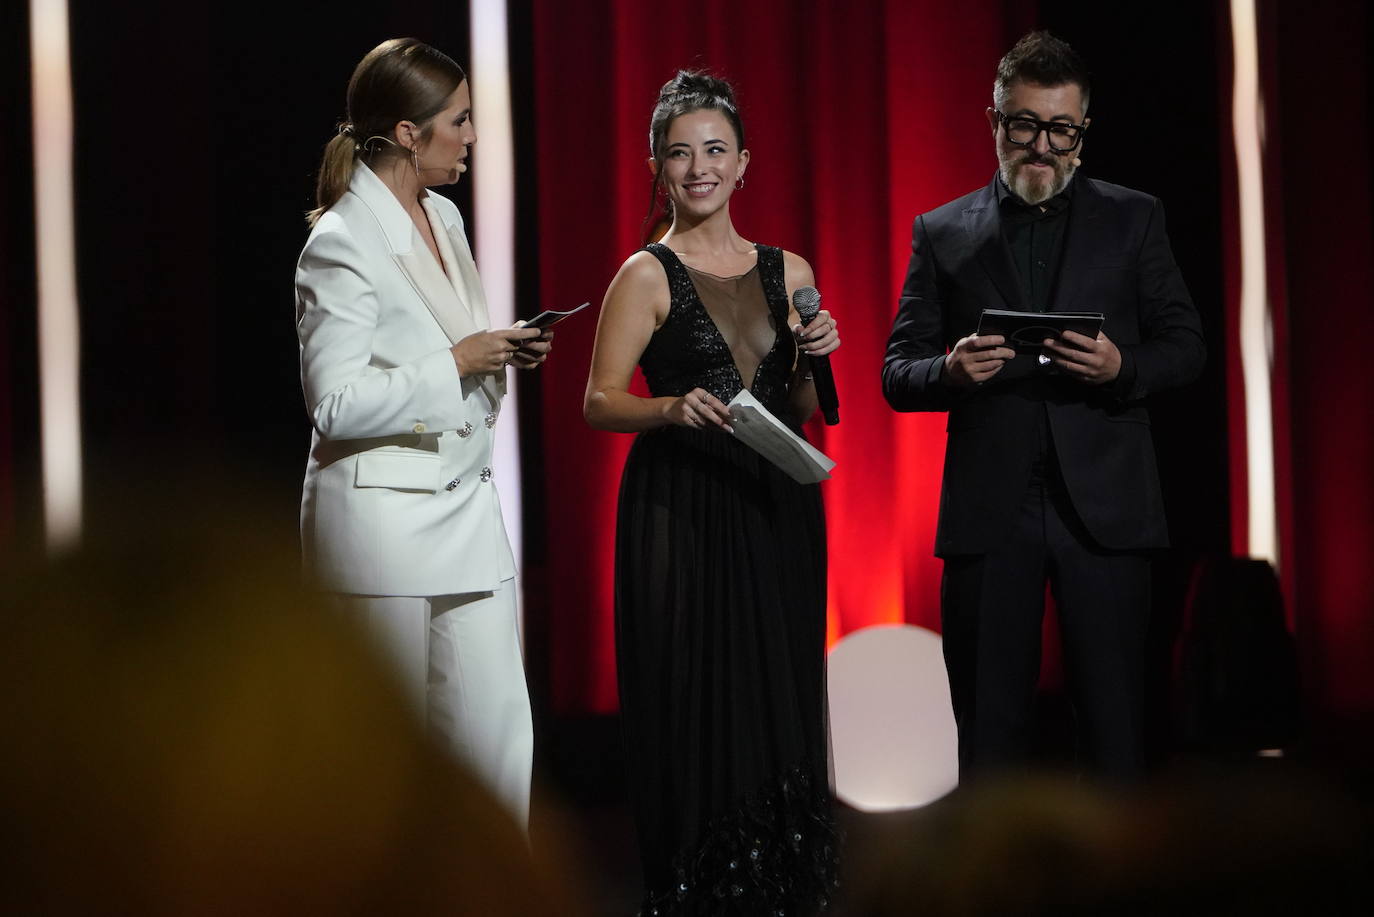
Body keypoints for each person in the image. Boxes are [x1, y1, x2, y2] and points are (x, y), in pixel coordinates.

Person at [882, 31, 1205, 781]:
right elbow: (899, 370)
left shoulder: (1136, 218)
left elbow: (1186, 344)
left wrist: (1123, 366)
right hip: (993, 511)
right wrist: (951, 371)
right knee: (990, 739)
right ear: (994, 122)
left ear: (1082, 134)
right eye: (1024, 124)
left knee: (1117, 734)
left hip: (1108, 508)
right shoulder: (941, 231)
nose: (1042, 145)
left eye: (1061, 129)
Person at [585, 71, 841, 915]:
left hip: (777, 501)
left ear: (744, 164)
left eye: (715, 150)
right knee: (696, 694)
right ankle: (699, 885)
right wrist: (667, 406)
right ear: (659, 167)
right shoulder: (645, 273)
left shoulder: (788, 268)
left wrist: (816, 354)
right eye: (680, 152)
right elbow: (597, 399)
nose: (699, 167)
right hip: (682, 505)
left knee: (779, 689)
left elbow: (805, 411)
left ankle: (782, 883)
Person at [295, 38, 552, 827]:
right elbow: (333, 402)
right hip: (381, 532)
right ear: (408, 133)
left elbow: (445, 341)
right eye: (459, 120)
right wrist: (457, 362)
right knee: (379, 761)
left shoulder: (442, 214)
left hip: (465, 515)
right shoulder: (340, 240)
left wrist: (496, 351)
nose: (472, 135)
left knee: (497, 742)